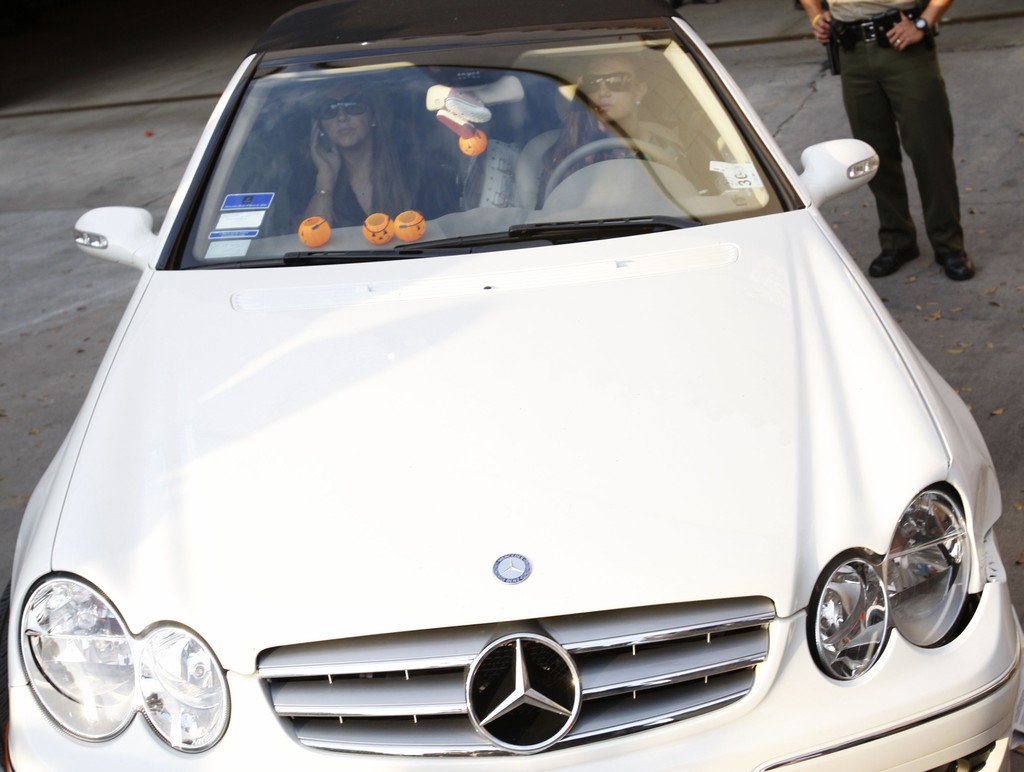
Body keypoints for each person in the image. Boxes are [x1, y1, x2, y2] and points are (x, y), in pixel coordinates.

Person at [799, 0, 974, 281]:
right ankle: (897, 240)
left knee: (930, 150)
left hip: (903, 46)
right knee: (873, 153)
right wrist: (815, 16)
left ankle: (948, 244)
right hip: (851, 50)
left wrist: (924, 22)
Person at [536, 54, 681, 206]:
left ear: (639, 90)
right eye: (592, 83)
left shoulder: (665, 147)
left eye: (616, 81)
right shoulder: (567, 151)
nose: (603, 92)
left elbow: (685, 201)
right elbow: (548, 212)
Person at [303, 88, 416, 227]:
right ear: (320, 126)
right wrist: (325, 181)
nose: (342, 117)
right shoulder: (308, 179)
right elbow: (308, 234)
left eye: (353, 105)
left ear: (373, 117)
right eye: (329, 109)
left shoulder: (411, 171)